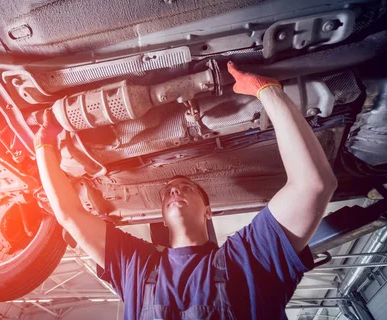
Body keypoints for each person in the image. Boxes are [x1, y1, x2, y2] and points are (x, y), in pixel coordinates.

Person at [34, 62, 338, 320]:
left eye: (186, 188)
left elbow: (312, 186)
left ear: (207, 211)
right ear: (164, 219)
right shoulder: (144, 264)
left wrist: (266, 90)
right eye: (168, 192)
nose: (175, 191)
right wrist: (44, 145)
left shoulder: (141, 269)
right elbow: (70, 214)